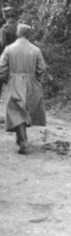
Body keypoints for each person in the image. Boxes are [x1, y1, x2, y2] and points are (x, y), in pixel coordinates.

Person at [1, 22, 49, 155]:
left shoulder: (9, 49)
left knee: (16, 110)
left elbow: (1, 68)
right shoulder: (35, 49)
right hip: (31, 82)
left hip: (14, 81)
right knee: (24, 110)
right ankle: (21, 139)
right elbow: (42, 68)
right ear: (28, 35)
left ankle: (23, 141)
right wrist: (35, 78)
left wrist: (6, 79)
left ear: (18, 33)